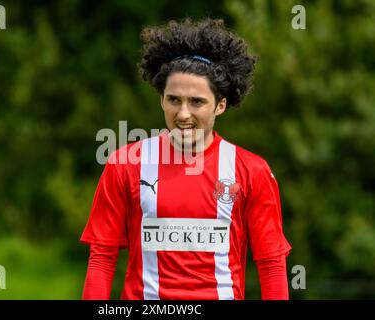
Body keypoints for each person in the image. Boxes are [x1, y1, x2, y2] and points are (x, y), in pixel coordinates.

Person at [80, 18, 291, 300]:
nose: (182, 114)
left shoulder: (252, 170)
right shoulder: (125, 164)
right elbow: (102, 257)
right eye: (174, 99)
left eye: (197, 102)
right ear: (161, 100)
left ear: (221, 105)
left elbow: (271, 264)